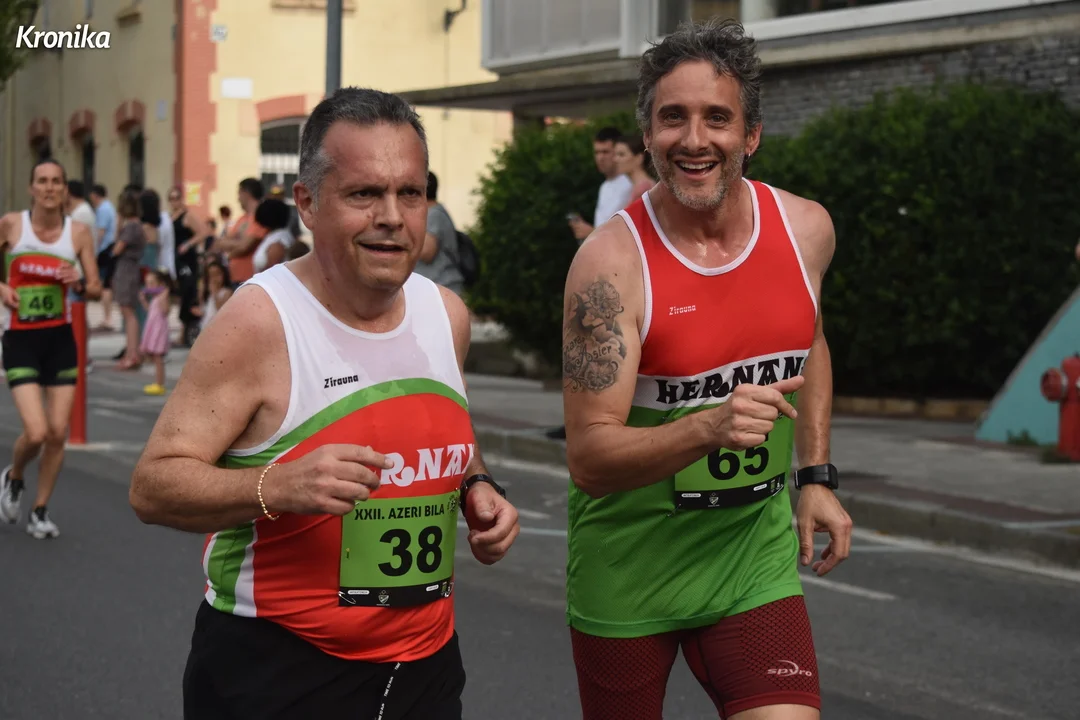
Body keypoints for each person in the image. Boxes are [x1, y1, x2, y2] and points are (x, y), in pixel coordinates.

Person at [129, 86, 521, 720]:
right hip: (280, 667)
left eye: (411, 193)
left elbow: (448, 435)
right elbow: (153, 487)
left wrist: (477, 486)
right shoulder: (261, 322)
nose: (392, 216)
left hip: (425, 665)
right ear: (307, 203)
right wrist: (279, 486)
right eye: (364, 194)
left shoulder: (446, 314)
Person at [561, 19, 853, 720]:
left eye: (717, 118)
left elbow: (809, 342)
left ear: (751, 135)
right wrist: (707, 428)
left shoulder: (806, 230)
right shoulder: (610, 266)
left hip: (752, 562)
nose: (694, 140)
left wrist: (814, 474)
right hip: (630, 570)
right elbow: (590, 459)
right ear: (648, 134)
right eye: (673, 118)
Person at [0, 159, 101, 539]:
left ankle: (40, 510)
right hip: (20, 339)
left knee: (58, 432)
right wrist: (2, 288)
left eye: (56, 182)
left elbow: (95, 288)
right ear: (32, 188)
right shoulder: (12, 225)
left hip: (59, 340)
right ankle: (14, 476)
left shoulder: (78, 233)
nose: (49, 188)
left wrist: (79, 282)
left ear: (64, 189)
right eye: (42, 181)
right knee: (37, 431)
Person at [567, 126, 634, 244]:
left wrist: (590, 232)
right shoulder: (604, 186)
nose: (600, 158)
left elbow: (627, 233)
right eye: (597, 152)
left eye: (605, 152)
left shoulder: (630, 184)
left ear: (618, 151)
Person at [111, 189, 149, 370]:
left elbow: (116, 249)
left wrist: (118, 223)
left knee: (128, 313)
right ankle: (132, 353)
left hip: (126, 270)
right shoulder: (138, 226)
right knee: (129, 313)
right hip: (131, 269)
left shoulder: (131, 227)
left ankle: (132, 354)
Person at [413, 171, 465, 297]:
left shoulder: (434, 215)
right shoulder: (436, 213)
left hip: (442, 287)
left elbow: (427, 252)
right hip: (438, 288)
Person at [139, 268, 173, 396]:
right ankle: (157, 382)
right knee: (155, 357)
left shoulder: (161, 297)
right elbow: (151, 311)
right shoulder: (154, 298)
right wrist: (143, 300)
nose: (149, 287)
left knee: (158, 358)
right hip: (153, 328)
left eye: (152, 283)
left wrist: (164, 296)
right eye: (147, 284)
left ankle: (160, 384)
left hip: (159, 330)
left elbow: (165, 311)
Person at [613, 133, 656, 205]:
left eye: (621, 155)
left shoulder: (643, 190)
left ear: (639, 158)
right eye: (615, 155)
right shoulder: (638, 188)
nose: (615, 159)